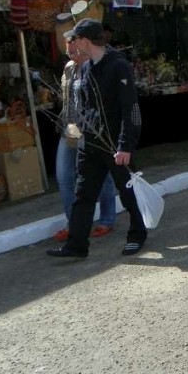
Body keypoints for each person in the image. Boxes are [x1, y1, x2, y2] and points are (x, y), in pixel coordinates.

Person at [46, 18, 147, 258]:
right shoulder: (85, 67)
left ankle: (137, 234)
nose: (71, 45)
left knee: (127, 191)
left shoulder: (118, 66)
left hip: (115, 144)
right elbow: (85, 107)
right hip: (89, 142)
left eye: (74, 39)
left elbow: (131, 109)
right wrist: (79, 134)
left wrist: (125, 146)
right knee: (84, 194)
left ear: (84, 40)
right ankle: (77, 244)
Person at [53, 30, 117, 242]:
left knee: (102, 176)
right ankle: (75, 224)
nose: (69, 49)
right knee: (64, 177)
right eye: (66, 45)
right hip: (70, 128)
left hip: (91, 128)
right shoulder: (69, 68)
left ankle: (107, 219)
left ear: (82, 43)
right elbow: (67, 101)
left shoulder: (97, 65)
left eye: (73, 44)